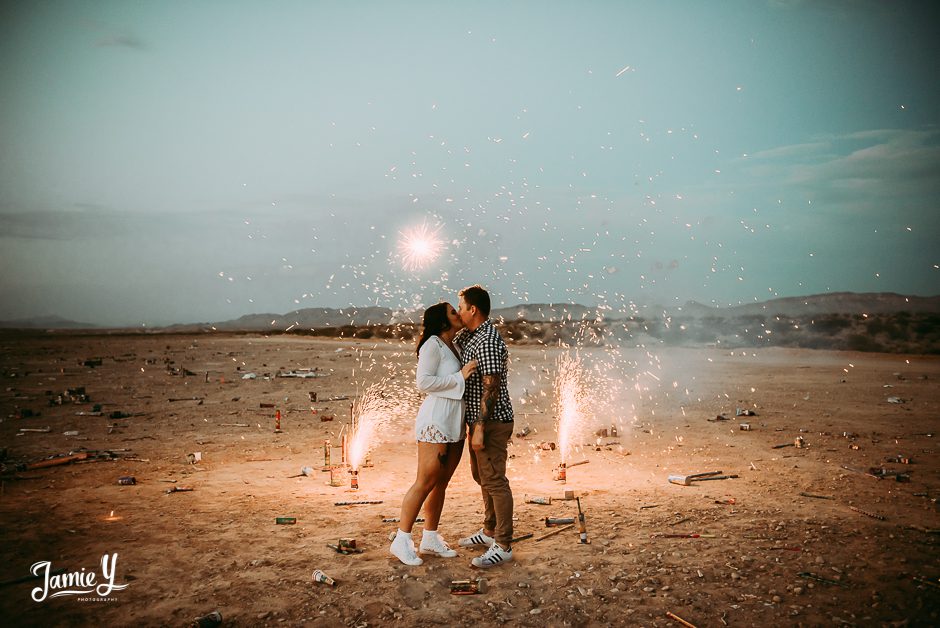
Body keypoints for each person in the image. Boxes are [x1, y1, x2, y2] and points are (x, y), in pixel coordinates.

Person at [389, 302, 477, 566]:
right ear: (442, 320)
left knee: (442, 483)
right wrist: (460, 377)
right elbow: (423, 382)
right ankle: (402, 540)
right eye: (453, 311)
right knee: (425, 481)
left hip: (454, 422)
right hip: (436, 421)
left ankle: (430, 537)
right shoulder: (433, 345)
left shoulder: (455, 345)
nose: (458, 314)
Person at [454, 285, 516, 568]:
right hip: (478, 421)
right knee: (482, 476)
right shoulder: (472, 335)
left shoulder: (487, 340)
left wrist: (479, 426)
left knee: (494, 480)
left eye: (461, 307)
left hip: (491, 421)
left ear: (473, 309)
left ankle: (503, 544)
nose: (459, 312)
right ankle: (489, 530)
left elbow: (491, 385)